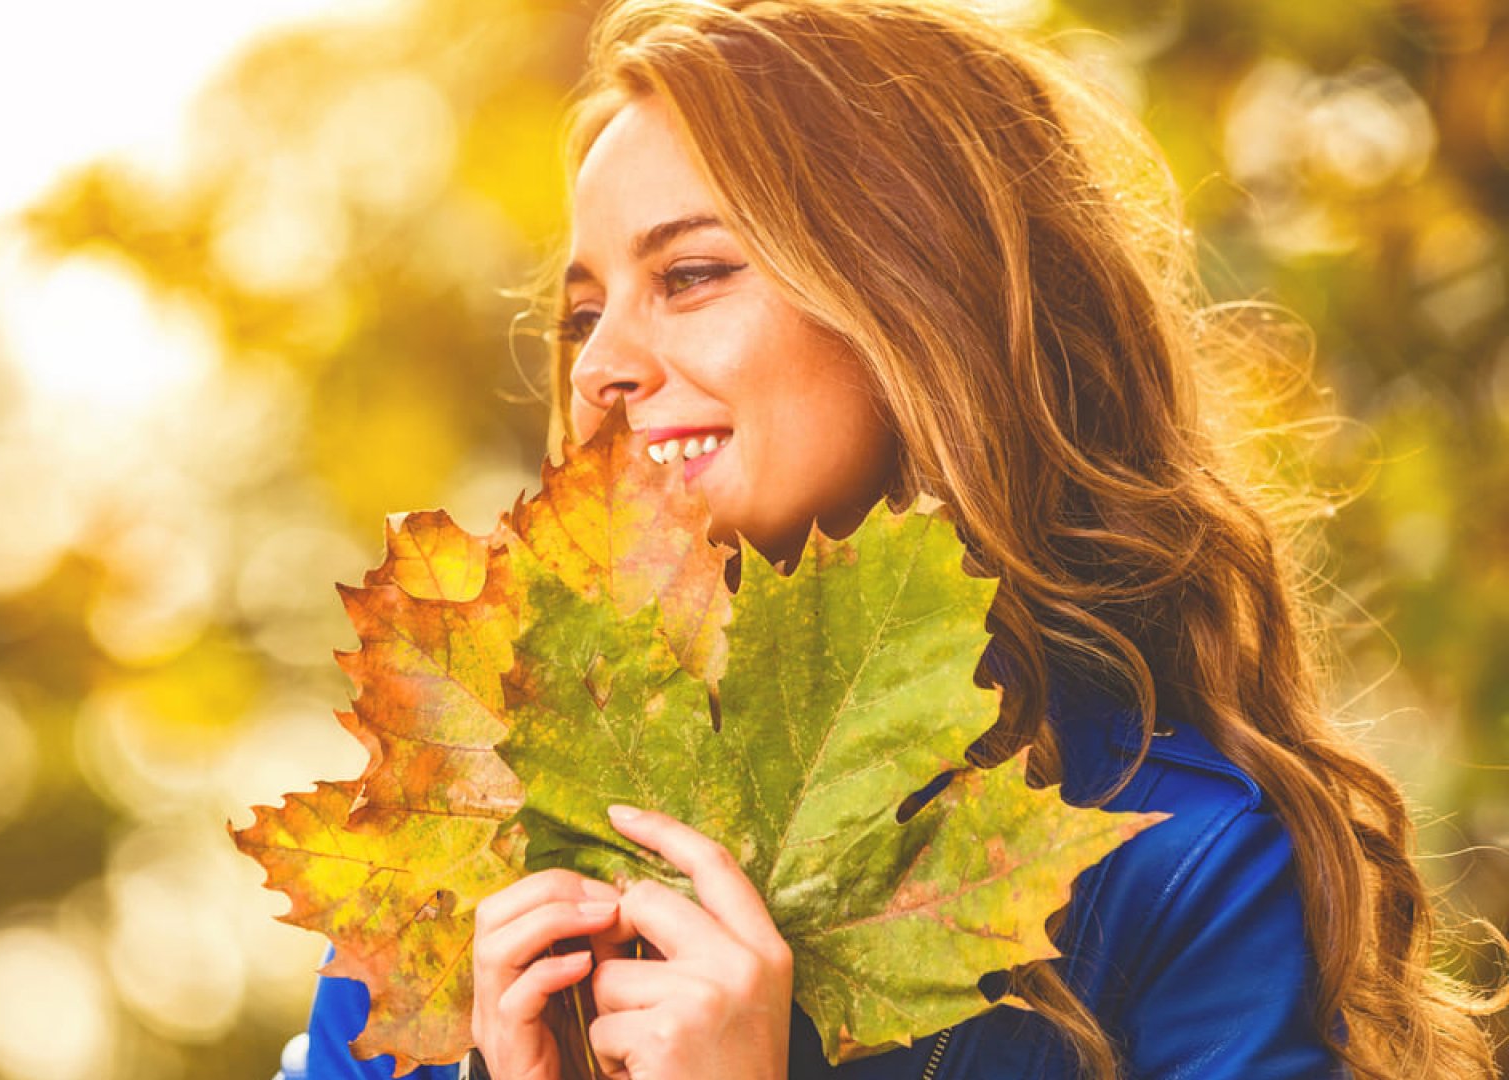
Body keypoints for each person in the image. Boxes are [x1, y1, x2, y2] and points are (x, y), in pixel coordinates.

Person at [289, 1, 1506, 1077]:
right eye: (583, 313)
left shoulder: (1173, 863)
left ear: (922, 305)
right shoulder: (464, 836)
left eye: (696, 273)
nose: (603, 367)